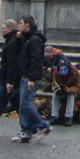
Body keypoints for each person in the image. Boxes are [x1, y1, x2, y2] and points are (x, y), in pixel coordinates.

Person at [13, 14, 51, 143]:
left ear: (27, 25)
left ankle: (43, 125)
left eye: (21, 23)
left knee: (25, 104)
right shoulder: (29, 38)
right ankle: (26, 131)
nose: (19, 25)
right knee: (23, 105)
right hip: (26, 75)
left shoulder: (34, 40)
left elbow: (36, 60)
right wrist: (20, 39)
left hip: (29, 76)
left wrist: (32, 78)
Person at [46, 50, 80, 127]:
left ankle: (68, 117)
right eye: (61, 69)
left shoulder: (75, 73)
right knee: (55, 95)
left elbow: (79, 86)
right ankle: (54, 116)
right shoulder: (56, 73)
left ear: (69, 68)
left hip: (73, 92)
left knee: (70, 96)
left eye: (64, 69)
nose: (62, 71)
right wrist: (57, 89)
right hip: (62, 90)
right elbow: (54, 83)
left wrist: (70, 89)